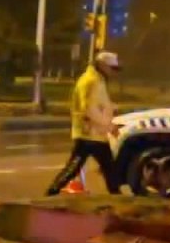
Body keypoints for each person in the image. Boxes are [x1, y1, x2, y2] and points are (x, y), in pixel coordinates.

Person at [46, 51, 123, 195]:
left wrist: (111, 108)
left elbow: (98, 105)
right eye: (111, 68)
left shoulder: (99, 80)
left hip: (97, 135)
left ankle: (117, 197)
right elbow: (88, 109)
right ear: (101, 65)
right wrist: (110, 126)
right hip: (87, 135)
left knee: (110, 170)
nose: (113, 72)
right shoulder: (90, 81)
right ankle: (51, 193)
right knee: (73, 168)